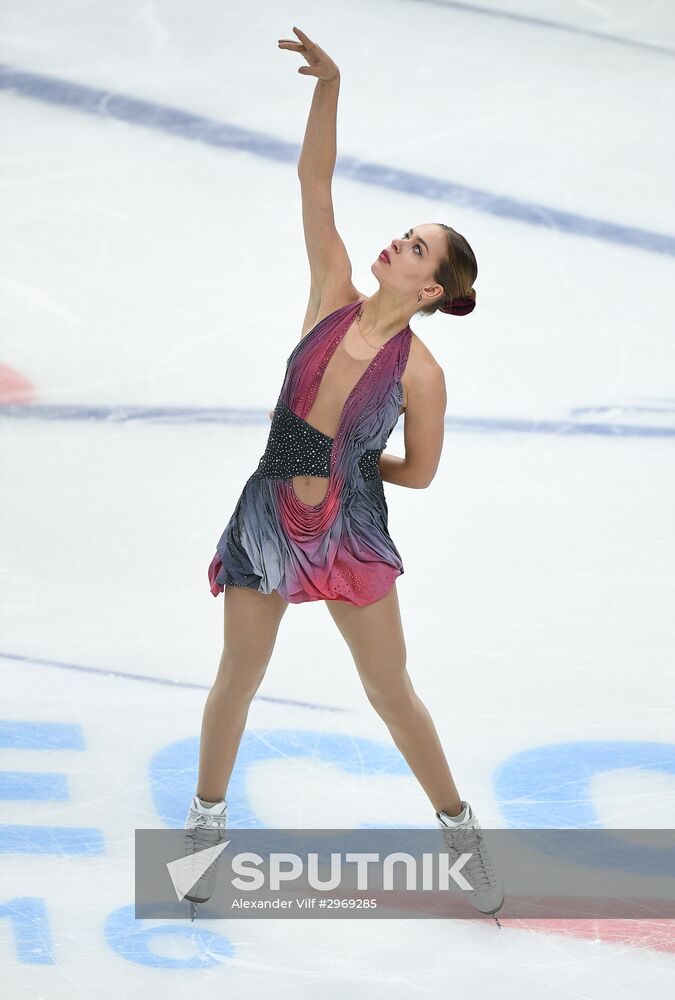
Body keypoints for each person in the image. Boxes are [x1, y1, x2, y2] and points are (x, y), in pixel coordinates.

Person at [184, 26, 504, 925]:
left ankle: (458, 833)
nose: (394, 243)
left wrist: (355, 470)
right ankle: (206, 827)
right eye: (404, 234)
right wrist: (330, 86)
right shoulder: (332, 287)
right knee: (235, 676)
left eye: (413, 247)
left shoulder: (421, 374)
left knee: (389, 691)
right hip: (269, 509)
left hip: (352, 524)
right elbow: (313, 183)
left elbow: (421, 473)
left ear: (432, 288)